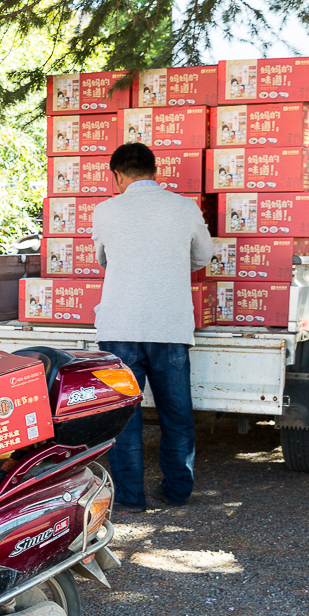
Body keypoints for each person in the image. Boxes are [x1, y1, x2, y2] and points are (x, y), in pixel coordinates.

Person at [90, 142, 212, 513]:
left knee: (124, 417)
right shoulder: (185, 207)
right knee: (176, 415)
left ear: (117, 175)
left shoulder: (105, 210)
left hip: (119, 328)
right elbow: (203, 256)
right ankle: (177, 491)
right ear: (154, 171)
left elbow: (103, 259)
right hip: (169, 326)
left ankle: (130, 497)